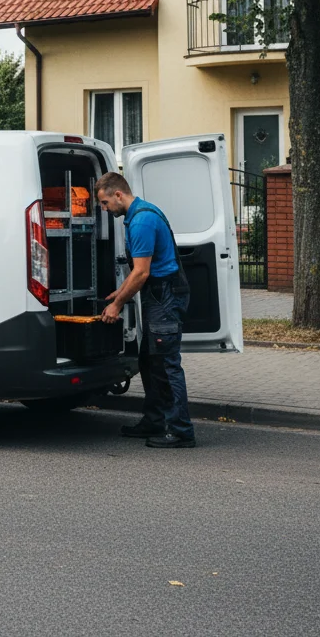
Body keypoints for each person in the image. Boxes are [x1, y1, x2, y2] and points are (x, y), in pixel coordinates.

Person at [94, 172, 196, 449]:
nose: (104, 209)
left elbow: (141, 272)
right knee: (150, 361)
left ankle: (181, 430)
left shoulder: (141, 221)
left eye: (104, 203)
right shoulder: (143, 212)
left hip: (165, 296)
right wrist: (121, 291)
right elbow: (139, 272)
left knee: (166, 364)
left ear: (118, 195)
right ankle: (154, 420)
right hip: (160, 293)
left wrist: (116, 305)